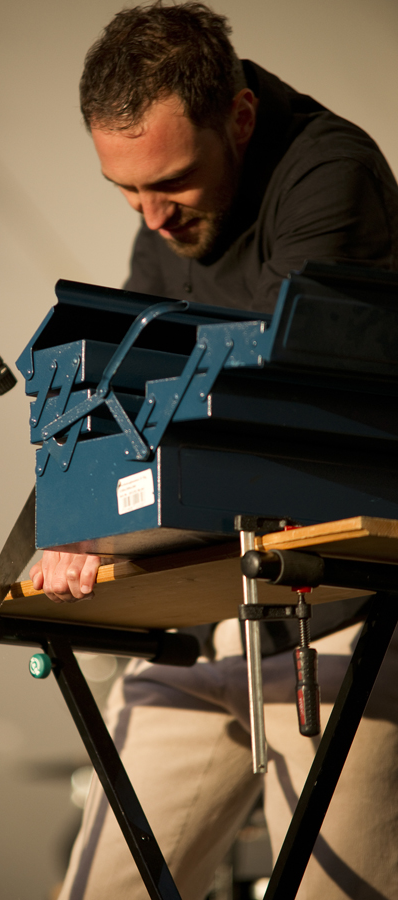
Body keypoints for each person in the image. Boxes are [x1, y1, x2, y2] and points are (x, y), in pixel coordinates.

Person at [31, 4, 398, 898]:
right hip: (205, 626)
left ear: (238, 117)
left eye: (173, 183)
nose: (151, 216)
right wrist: (72, 523)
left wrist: (110, 494)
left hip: (341, 618)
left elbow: (264, 387)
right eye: (124, 189)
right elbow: (117, 385)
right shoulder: (164, 222)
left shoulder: (328, 172)